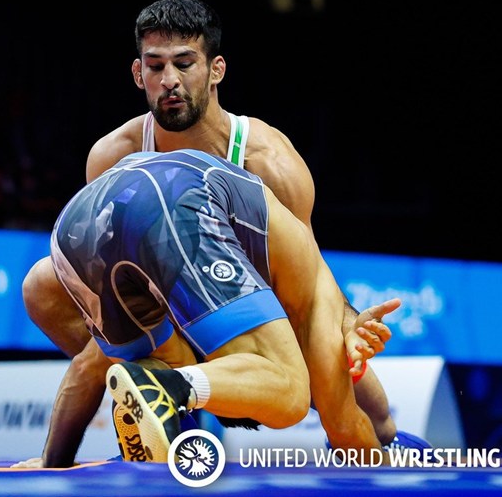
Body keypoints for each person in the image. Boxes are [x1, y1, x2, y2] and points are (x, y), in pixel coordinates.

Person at [20, 0, 425, 452]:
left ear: (216, 70)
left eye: (184, 64)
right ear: (138, 73)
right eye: (155, 66)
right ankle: (168, 411)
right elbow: (107, 270)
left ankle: (384, 436)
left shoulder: (268, 160)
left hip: (252, 297)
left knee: (367, 411)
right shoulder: (113, 154)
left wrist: (348, 324)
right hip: (161, 303)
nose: (169, 80)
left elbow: (306, 275)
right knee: (42, 286)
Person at [24, 149, 400, 467]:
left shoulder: (204, 298)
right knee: (290, 394)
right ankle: (172, 385)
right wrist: (392, 475)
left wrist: (52, 464)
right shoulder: (314, 308)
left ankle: (169, 383)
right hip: (174, 201)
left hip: (76, 223)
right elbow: (347, 430)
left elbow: (85, 369)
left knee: (148, 372)